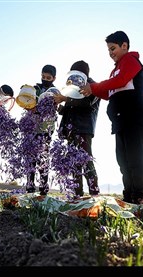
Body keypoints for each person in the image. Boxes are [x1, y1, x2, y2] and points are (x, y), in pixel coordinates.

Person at [80, 31, 143, 204]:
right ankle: (129, 195)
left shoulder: (130, 60)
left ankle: (140, 196)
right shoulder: (114, 70)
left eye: (113, 48)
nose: (110, 52)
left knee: (135, 158)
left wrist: (94, 86)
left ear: (124, 46)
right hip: (120, 120)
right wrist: (92, 89)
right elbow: (109, 91)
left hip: (135, 117)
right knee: (123, 159)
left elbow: (120, 81)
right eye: (108, 50)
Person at [54, 60, 100, 197]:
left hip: (83, 129)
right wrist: (59, 107)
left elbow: (86, 104)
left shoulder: (93, 86)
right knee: (74, 164)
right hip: (71, 129)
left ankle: (94, 194)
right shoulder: (72, 87)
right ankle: (77, 194)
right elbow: (70, 108)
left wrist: (65, 99)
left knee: (86, 161)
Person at [26, 64, 57, 195]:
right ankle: (30, 188)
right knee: (31, 159)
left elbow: (55, 107)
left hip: (46, 129)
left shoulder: (55, 91)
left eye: (48, 77)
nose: (45, 79)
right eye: (43, 76)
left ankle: (43, 189)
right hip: (32, 128)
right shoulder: (35, 88)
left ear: (54, 78)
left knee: (43, 160)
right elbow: (27, 101)